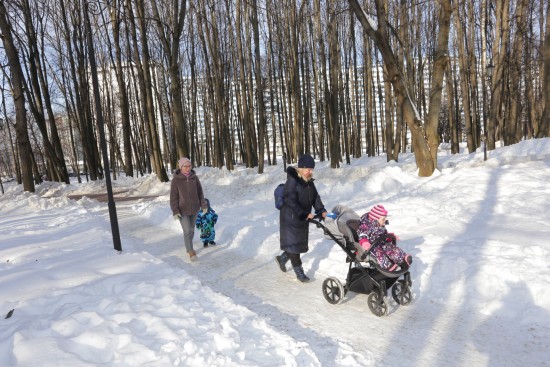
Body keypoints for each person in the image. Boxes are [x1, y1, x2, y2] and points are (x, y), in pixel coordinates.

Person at [275, 154, 328, 282]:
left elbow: (315, 197)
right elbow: (290, 200)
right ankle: (300, 273)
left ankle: (282, 259)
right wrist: (304, 214)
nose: (310, 172)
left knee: (296, 244)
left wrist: (321, 210)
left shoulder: (309, 182)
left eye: (312, 169)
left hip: (301, 218)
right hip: (290, 218)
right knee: (294, 246)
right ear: (301, 168)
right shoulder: (292, 181)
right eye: (308, 169)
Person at [170, 157, 207, 262]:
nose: (188, 168)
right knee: (187, 231)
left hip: (195, 208)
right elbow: (173, 197)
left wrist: (203, 205)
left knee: (192, 230)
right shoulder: (176, 180)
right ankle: (190, 250)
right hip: (182, 210)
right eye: (186, 166)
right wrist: (175, 211)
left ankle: (188, 246)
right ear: (181, 167)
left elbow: (200, 193)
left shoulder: (194, 178)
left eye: (190, 166)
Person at [356, 205, 412, 271]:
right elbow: (362, 235)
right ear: (375, 219)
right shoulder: (365, 226)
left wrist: (389, 237)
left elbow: (383, 233)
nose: (384, 221)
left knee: (391, 249)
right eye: (383, 219)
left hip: (381, 242)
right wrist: (365, 243)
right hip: (372, 246)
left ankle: (402, 258)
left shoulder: (380, 224)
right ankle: (388, 267)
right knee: (380, 255)